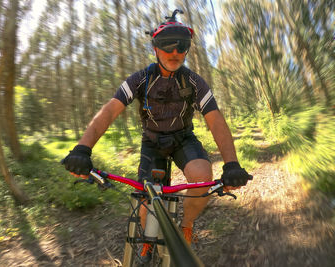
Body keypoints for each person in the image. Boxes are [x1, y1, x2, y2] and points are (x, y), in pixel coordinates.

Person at [62, 9, 252, 262]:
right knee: (146, 208)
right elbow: (109, 111)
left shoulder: (194, 82)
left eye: (181, 46)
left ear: (187, 50)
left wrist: (232, 164)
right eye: (166, 45)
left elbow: (216, 120)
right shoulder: (140, 79)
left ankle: (186, 224)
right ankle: (148, 241)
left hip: (183, 139)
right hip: (152, 142)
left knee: (202, 176)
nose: (174, 52)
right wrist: (82, 149)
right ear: (155, 48)